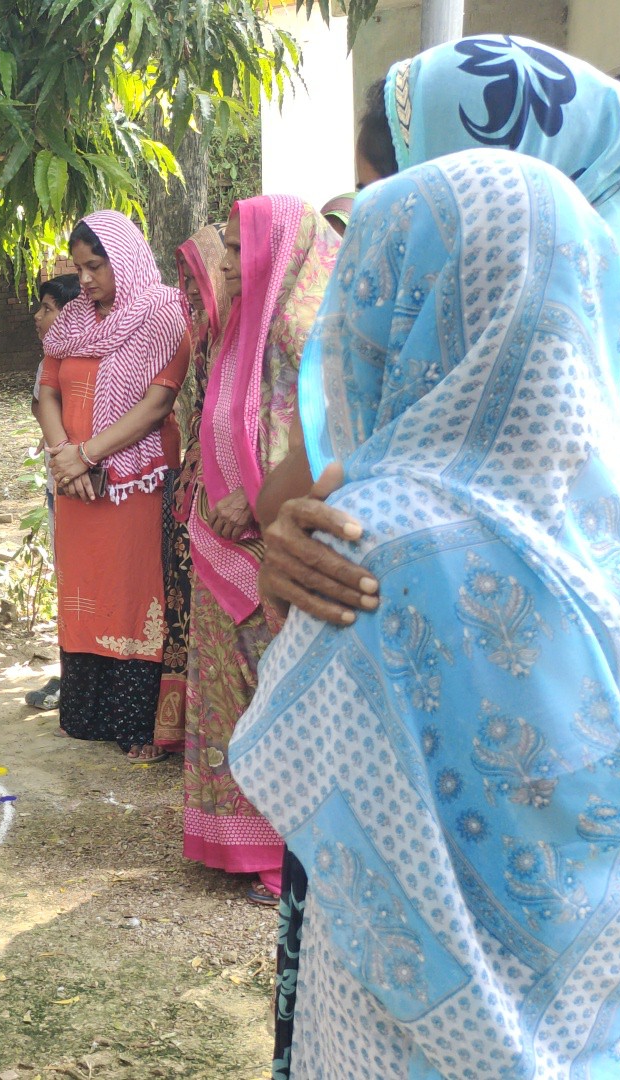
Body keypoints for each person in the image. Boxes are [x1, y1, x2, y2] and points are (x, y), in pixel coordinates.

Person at [235, 149, 620, 1080]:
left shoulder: (374, 535)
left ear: (404, 309)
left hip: (413, 1038)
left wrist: (283, 569)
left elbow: (307, 755)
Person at [263, 37, 620, 651]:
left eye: (394, 205)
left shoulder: (518, 419)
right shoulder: (613, 381)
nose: (376, 241)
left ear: (482, 205)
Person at [182, 194, 339, 906]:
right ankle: (237, 840)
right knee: (231, 691)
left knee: (277, 693)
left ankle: (284, 851)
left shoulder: (305, 335)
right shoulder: (244, 326)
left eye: (239, 247)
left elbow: (311, 439)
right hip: (223, 534)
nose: (225, 262)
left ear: (280, 252)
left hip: (272, 542)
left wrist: (254, 500)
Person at [34, 212, 188, 761]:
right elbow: (47, 390)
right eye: (79, 268)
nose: (85, 279)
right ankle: (85, 714)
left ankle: (134, 722)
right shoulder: (74, 317)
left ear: (124, 259)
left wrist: (87, 455)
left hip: (134, 482)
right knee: (83, 590)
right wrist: (64, 456)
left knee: (132, 591)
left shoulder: (163, 313)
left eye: (95, 266)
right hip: (77, 482)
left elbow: (156, 405)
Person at [162, 222, 234, 753]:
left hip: (229, 497)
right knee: (182, 602)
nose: (188, 289)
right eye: (183, 278)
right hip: (193, 487)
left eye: (196, 276)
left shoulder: (248, 338)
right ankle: (183, 728)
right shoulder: (206, 337)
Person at [22, 273, 80, 713]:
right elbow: (43, 409)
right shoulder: (49, 363)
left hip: (88, 486)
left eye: (48, 308)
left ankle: (80, 676)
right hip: (60, 487)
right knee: (69, 583)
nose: (38, 317)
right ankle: (71, 670)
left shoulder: (88, 358)